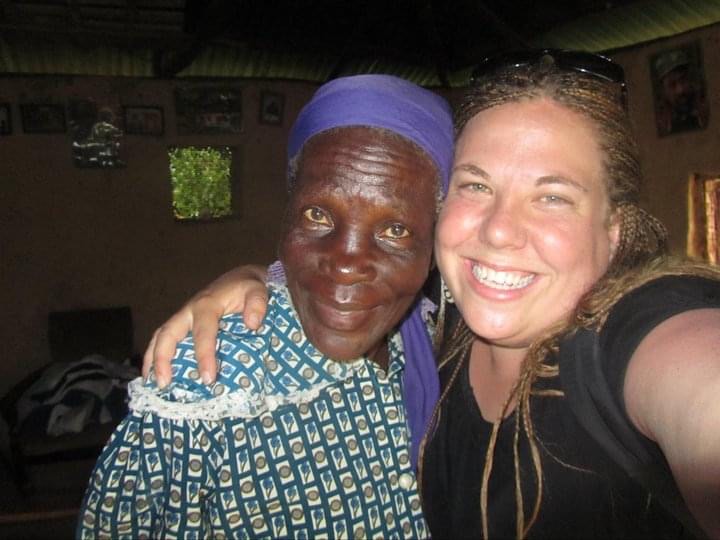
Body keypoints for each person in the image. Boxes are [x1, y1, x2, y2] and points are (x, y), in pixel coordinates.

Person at [145, 50, 720, 540]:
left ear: (613, 233)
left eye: (552, 197)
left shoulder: (635, 336)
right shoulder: (430, 347)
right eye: (477, 185)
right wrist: (260, 274)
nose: (499, 230)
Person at [77, 74, 454, 539]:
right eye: (318, 214)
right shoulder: (205, 387)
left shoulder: (436, 341)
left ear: (434, 246)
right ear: (286, 214)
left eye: (395, 230)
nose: (346, 263)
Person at [653, 48, 708, 136]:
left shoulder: (706, 104)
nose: (680, 90)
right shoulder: (659, 121)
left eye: (683, 80)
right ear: (663, 91)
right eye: (672, 84)